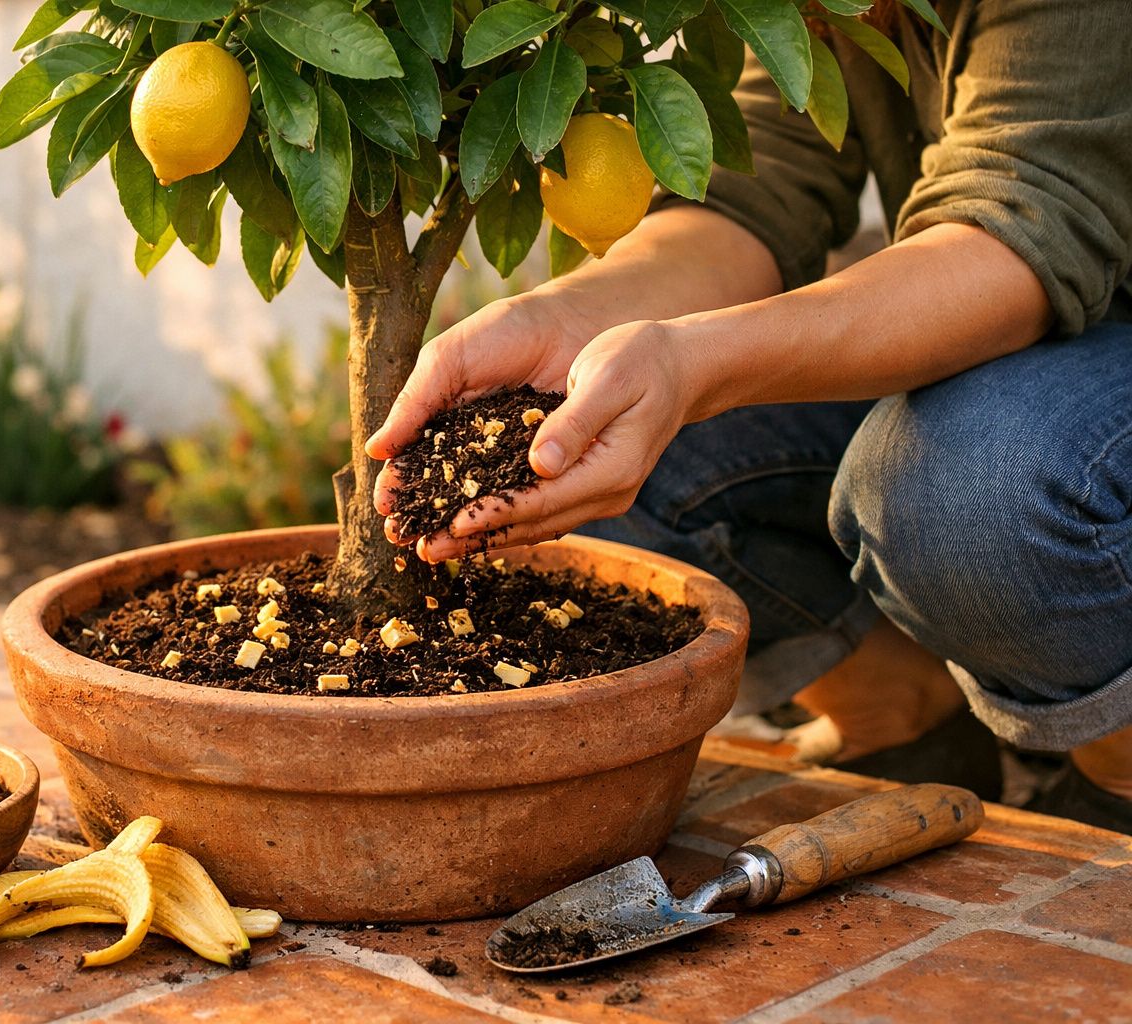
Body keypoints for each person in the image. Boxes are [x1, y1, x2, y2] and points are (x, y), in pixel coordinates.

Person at [367, 0, 1132, 833]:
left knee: (963, 485)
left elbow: (1023, 227)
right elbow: (755, 188)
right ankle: (905, 715)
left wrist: (694, 367)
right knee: (589, 450)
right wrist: (574, 321)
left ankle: (1115, 773)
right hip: (1017, 318)